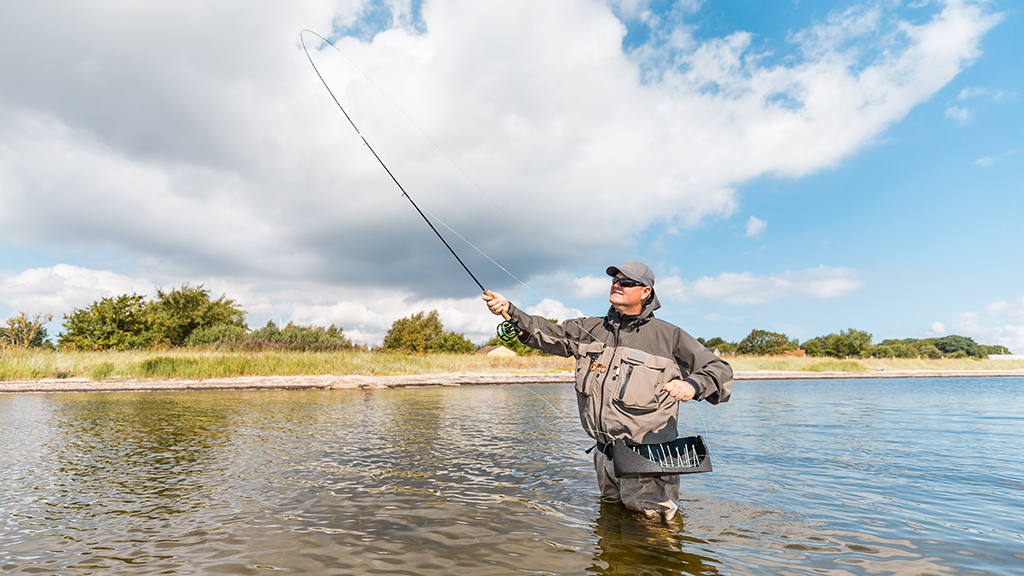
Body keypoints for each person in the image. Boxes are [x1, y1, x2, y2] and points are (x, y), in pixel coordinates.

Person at [484, 261, 732, 521]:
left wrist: (691, 385)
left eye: (626, 282)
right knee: (611, 523)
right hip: (604, 458)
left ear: (646, 292)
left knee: (654, 536)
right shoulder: (589, 328)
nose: (617, 285)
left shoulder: (669, 336)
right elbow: (547, 333)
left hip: (646, 463)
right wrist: (509, 310)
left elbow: (720, 371)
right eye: (615, 280)